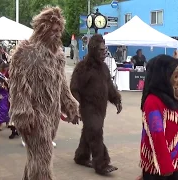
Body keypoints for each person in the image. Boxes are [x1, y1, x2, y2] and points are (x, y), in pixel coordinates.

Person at [9, 6, 79, 179]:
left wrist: (70, 105)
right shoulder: (25, 52)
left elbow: (61, 84)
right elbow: (18, 86)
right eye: (54, 30)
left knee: (36, 157)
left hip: (51, 116)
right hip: (34, 116)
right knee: (43, 156)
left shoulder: (59, 56)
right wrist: (22, 112)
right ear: (43, 29)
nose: (57, 34)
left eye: (59, 30)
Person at [70, 34, 122, 175]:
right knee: (96, 132)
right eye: (100, 50)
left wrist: (116, 99)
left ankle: (81, 156)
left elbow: (110, 87)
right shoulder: (82, 68)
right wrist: (76, 107)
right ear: (93, 50)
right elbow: (73, 88)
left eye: (104, 50)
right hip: (88, 108)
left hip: (101, 109)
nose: (103, 52)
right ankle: (102, 164)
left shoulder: (104, 68)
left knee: (90, 131)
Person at [138, 55, 178, 180]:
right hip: (160, 167)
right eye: (175, 77)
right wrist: (165, 165)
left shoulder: (169, 97)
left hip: (171, 163)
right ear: (162, 78)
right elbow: (157, 135)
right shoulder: (153, 102)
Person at [0, 62, 10, 131]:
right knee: (2, 109)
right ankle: (1, 124)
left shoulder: (8, 73)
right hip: (1, 93)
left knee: (8, 109)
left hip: (7, 92)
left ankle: (7, 122)